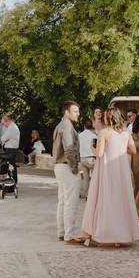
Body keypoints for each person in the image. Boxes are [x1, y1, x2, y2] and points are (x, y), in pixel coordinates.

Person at [73, 107, 139, 247]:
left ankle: (105, 233)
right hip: (121, 171)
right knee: (121, 200)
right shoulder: (125, 133)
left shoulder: (104, 132)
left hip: (107, 170)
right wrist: (121, 149)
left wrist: (92, 149)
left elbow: (99, 154)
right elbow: (133, 150)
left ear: (107, 118)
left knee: (106, 199)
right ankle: (120, 237)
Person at [53, 102, 81, 241]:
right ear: (67, 112)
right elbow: (69, 149)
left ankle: (62, 231)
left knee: (63, 201)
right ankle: (70, 234)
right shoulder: (67, 127)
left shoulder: (60, 125)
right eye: (75, 111)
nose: (78, 114)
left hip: (59, 166)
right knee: (71, 202)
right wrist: (75, 168)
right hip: (66, 166)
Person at [0, 114, 21, 184]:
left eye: (3, 123)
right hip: (11, 149)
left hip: (11, 149)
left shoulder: (12, 128)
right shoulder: (12, 127)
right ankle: (12, 183)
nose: (4, 125)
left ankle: (13, 183)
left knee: (11, 167)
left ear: (7, 121)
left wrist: (5, 140)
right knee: (11, 166)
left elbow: (2, 138)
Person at [78, 119, 98, 199]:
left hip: (82, 158)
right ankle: (91, 195)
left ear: (84, 126)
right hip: (91, 158)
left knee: (85, 177)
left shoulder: (79, 135)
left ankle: (85, 194)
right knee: (93, 177)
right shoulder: (94, 136)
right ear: (92, 126)